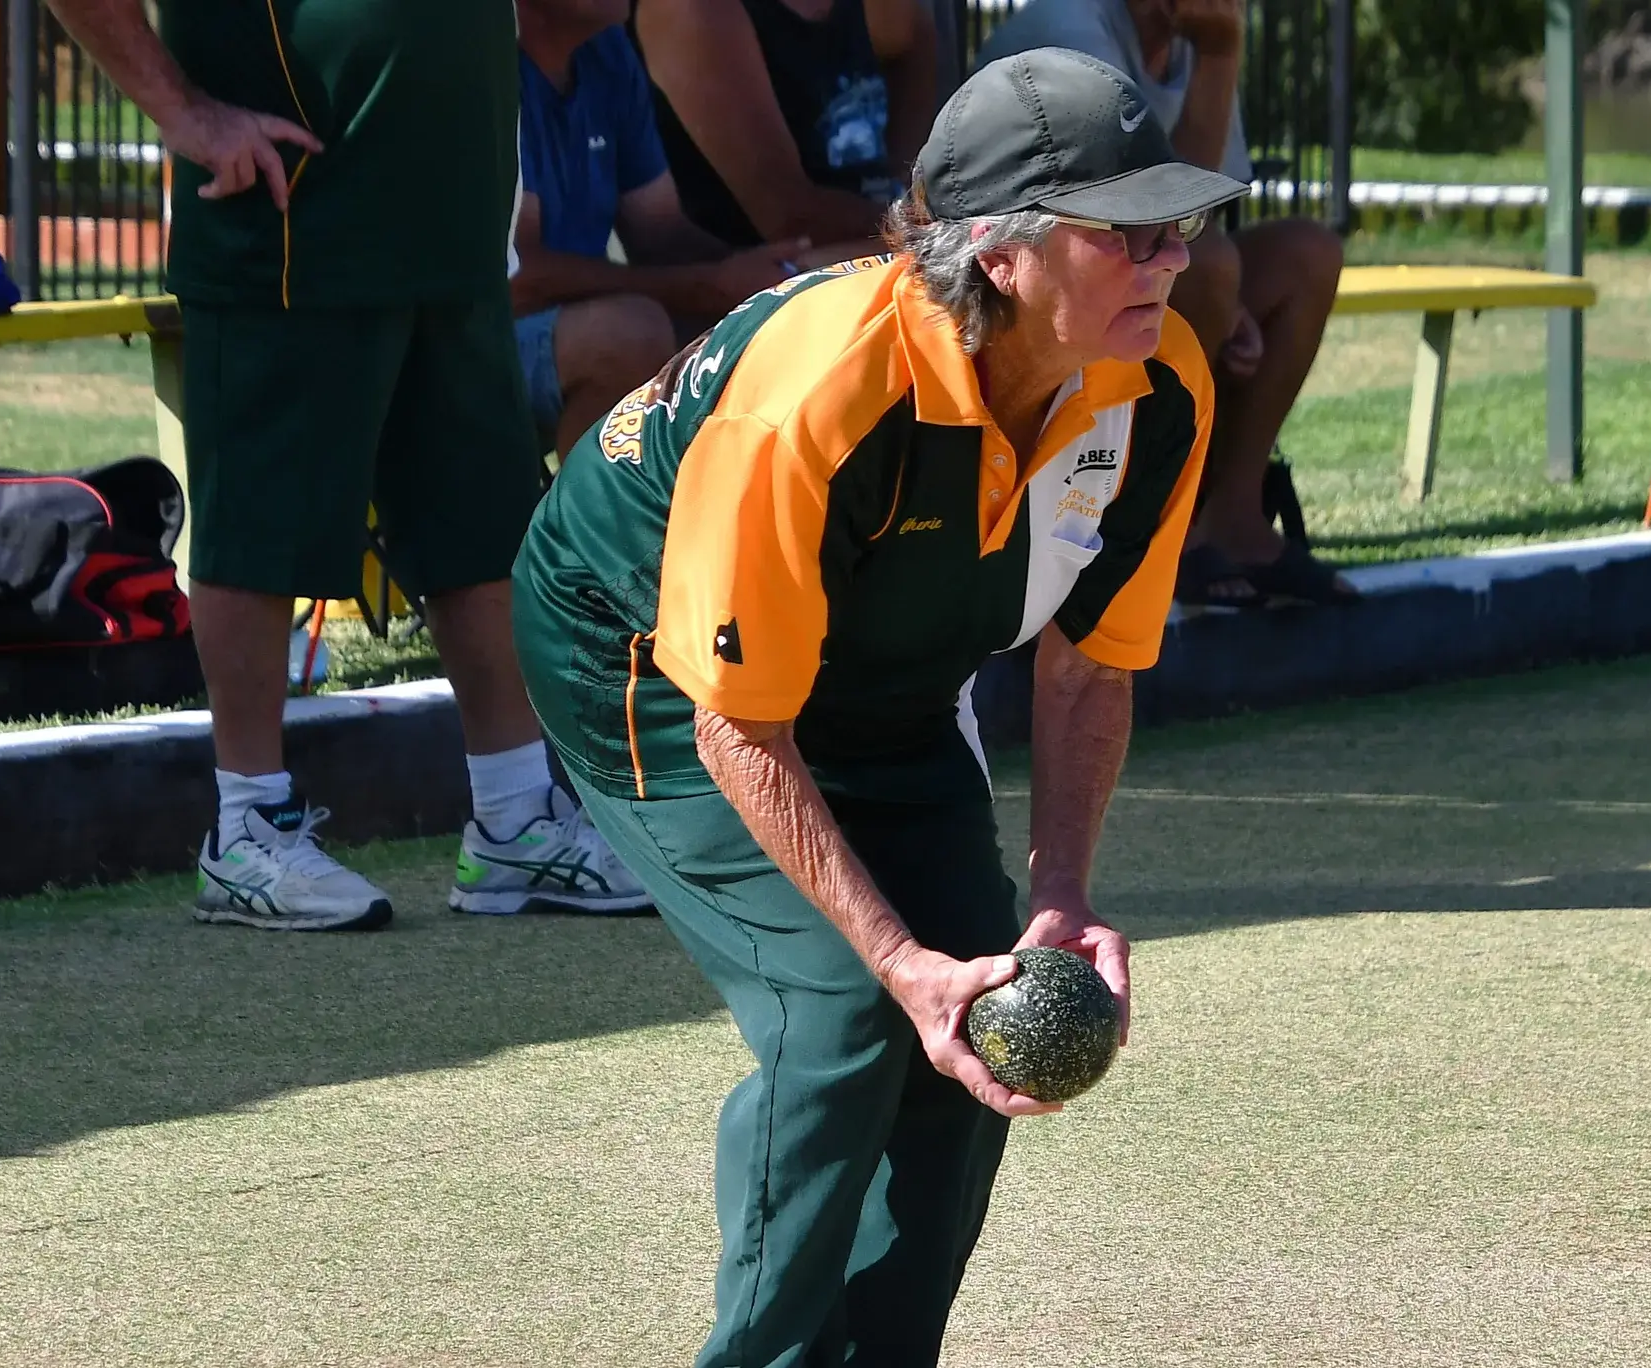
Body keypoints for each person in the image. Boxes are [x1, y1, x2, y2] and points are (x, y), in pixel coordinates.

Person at [512, 49, 1240, 1365]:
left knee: (985, 991)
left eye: (1178, 225)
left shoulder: (1161, 386)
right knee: (847, 1007)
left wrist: (1060, 894)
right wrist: (894, 963)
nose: (1172, 260)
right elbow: (740, 721)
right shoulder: (825, 393)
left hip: (872, 681)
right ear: (1003, 256)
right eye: (1129, 233)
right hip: (642, 659)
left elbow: (1087, 666)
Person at [42, 0, 651, 930]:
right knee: (259, 528)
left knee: (481, 522)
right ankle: (246, 829)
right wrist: (186, 114)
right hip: (292, 218)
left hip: (450, 222)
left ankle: (517, 817)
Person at [980, 0, 1356, 607]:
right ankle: (1152, 537)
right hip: (1033, 283)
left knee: (1304, 255)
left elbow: (1195, 204)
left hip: (1130, 257)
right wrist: (1221, 54)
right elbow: (1115, 210)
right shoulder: (1069, 30)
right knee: (1207, 269)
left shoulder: (1197, 36)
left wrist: (1216, 55)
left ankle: (1232, 519)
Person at [511, 0, 818, 454]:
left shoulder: (608, 51)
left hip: (576, 325)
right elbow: (521, 279)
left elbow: (662, 232)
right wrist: (701, 285)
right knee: (633, 333)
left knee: (780, 315)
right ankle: (577, 524)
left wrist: (768, 285)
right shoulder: (493, 72)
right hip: (476, 345)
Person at [631, 0, 940, 258]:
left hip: (878, 247)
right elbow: (791, 218)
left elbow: (914, 37)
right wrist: (939, 223)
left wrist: (905, 177)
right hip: (762, 291)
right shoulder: (692, 9)